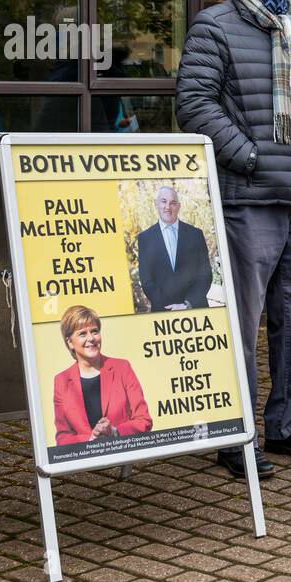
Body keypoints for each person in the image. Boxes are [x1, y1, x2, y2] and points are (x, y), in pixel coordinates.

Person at [176, 0, 291, 480]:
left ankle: (287, 425)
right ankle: (235, 433)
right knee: (241, 323)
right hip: (249, 197)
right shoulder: (213, 26)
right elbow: (194, 105)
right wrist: (247, 157)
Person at [53, 305, 151, 445]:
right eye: (82, 333)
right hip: (86, 461)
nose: (91, 338)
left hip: (123, 449)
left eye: (94, 331)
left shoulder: (122, 368)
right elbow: (63, 438)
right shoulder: (61, 381)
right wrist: (91, 439)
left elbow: (144, 421)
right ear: (70, 342)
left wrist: (115, 431)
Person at [135, 185, 213, 311]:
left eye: (173, 203)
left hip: (195, 309)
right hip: (163, 313)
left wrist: (187, 304)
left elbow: (205, 274)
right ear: (156, 204)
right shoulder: (145, 238)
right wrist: (169, 308)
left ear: (178, 206)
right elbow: (147, 280)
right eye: (163, 201)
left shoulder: (195, 235)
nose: (168, 207)